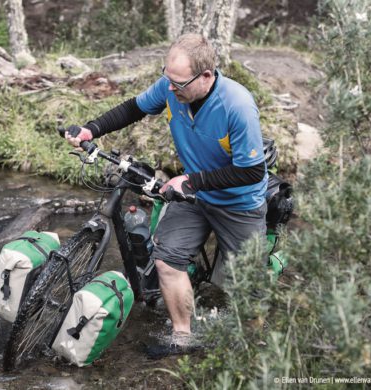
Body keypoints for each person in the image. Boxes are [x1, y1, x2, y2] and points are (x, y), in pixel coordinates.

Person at [64, 33, 267, 356]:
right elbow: (134, 108)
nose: (170, 89)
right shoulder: (172, 86)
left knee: (249, 289)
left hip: (238, 203)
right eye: (167, 78)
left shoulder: (237, 105)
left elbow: (252, 171)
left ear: (206, 77)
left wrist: (191, 181)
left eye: (179, 83)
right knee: (167, 261)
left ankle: (252, 353)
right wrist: (92, 129)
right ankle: (183, 338)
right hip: (194, 196)